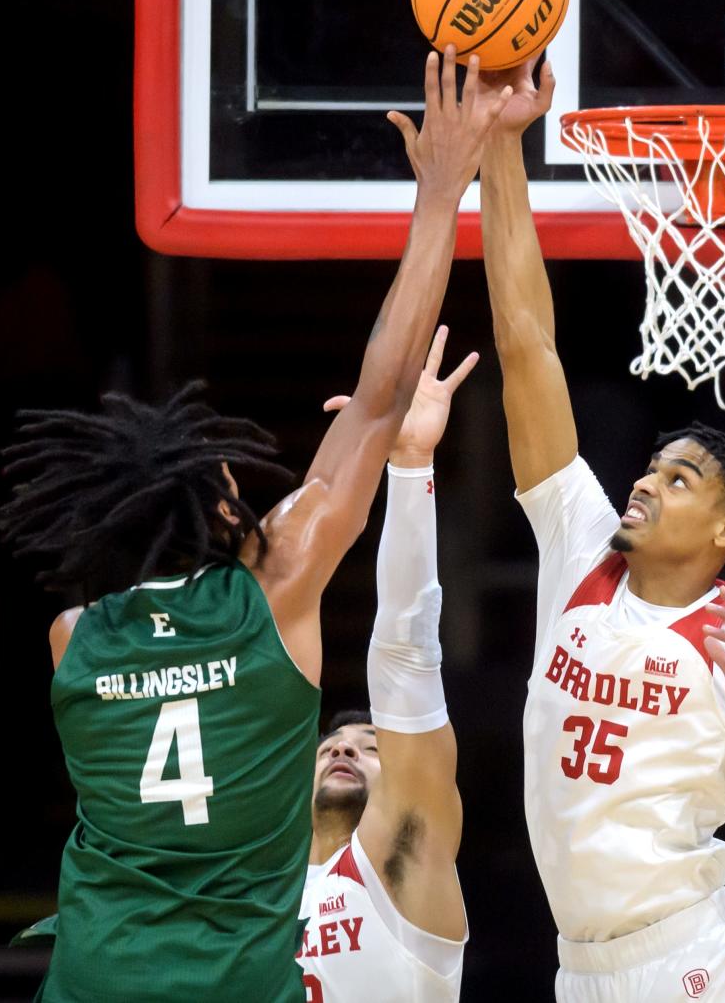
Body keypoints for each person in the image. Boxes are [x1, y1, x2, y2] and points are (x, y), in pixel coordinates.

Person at [0, 48, 510, 1003]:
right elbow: (382, 394)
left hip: (94, 978)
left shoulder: (72, 639)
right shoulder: (276, 593)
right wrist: (442, 191)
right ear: (232, 519)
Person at [475, 57, 725, 1003]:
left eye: (678, 478)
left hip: (701, 965)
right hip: (581, 966)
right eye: (652, 467)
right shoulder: (580, 541)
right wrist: (501, 144)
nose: (645, 483)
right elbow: (526, 338)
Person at [297, 325, 472, 1001]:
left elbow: (405, 654)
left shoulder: (402, 852)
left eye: (370, 747)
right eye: (332, 745)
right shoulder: (253, 897)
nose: (343, 750)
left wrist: (409, 468)